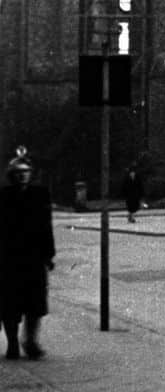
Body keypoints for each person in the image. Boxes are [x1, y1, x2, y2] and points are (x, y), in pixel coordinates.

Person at [0, 147, 55, 361]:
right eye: (18, 172)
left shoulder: (39, 194)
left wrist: (49, 255)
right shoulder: (3, 196)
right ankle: (13, 342)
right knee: (9, 306)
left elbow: (46, 226)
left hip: (33, 257)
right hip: (8, 258)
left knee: (34, 304)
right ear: (11, 175)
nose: (23, 176)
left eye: (26, 172)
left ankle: (30, 341)